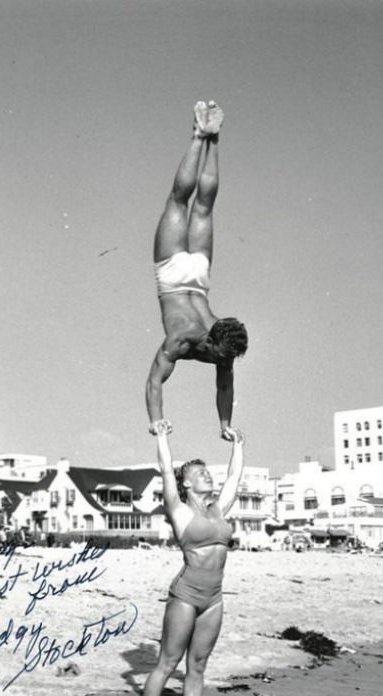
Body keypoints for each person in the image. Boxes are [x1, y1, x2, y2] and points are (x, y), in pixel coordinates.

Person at [139, 420, 245, 696]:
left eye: (207, 473)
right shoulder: (180, 511)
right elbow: (166, 473)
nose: (207, 476)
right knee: (168, 663)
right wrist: (162, 438)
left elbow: (233, 478)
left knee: (197, 666)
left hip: (214, 598)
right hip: (185, 595)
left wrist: (237, 445)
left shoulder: (219, 509)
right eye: (200, 474)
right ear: (187, 483)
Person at [146, 101, 248, 441]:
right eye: (226, 357)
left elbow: (224, 389)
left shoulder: (224, 347)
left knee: (196, 206)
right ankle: (200, 136)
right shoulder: (183, 338)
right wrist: (156, 419)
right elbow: (154, 380)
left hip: (199, 278)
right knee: (184, 201)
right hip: (175, 277)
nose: (228, 363)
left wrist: (225, 425)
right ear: (215, 341)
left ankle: (210, 138)